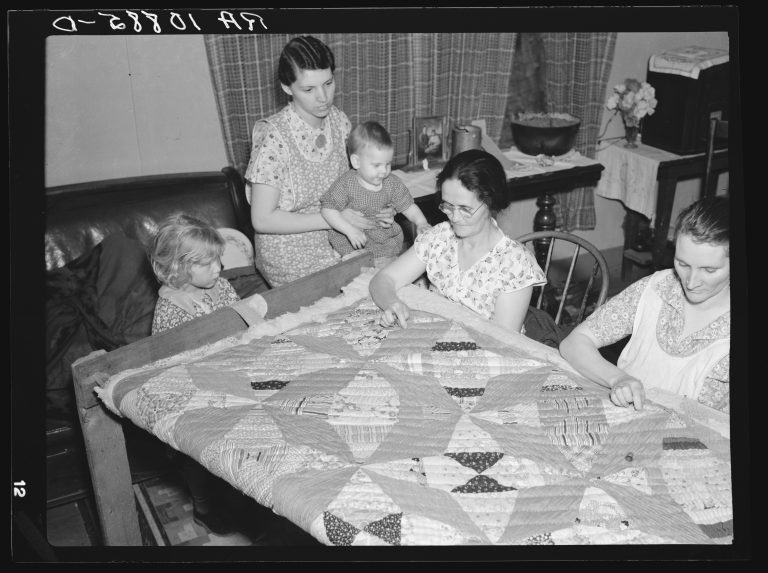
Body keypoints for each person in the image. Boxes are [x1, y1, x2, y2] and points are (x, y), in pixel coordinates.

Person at [244, 35, 393, 287]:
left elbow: (350, 186)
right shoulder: (274, 138)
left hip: (339, 240)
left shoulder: (339, 121)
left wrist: (375, 206)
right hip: (290, 259)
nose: (323, 97)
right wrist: (334, 218)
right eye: (309, 89)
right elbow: (262, 219)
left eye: (328, 83)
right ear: (287, 88)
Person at [559, 196, 730, 413]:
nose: (691, 282)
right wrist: (618, 379)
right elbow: (574, 343)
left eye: (709, 270)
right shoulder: (657, 288)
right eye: (683, 263)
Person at [369, 149, 546, 334]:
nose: (455, 217)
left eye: (465, 209)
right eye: (448, 206)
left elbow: (503, 340)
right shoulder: (440, 238)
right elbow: (383, 279)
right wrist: (393, 303)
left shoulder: (515, 264)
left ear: (491, 202)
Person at [150, 213, 240, 535]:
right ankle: (204, 508)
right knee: (197, 457)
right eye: (208, 263)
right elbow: (173, 365)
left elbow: (239, 319)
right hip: (193, 392)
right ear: (178, 267)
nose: (219, 268)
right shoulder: (171, 309)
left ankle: (236, 495)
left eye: (218, 259)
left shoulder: (221, 286)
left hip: (229, 376)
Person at [320, 121, 432, 264]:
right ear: (356, 162)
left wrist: (421, 222)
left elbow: (408, 205)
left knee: (388, 271)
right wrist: (349, 230)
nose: (384, 171)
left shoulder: (391, 182)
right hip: (352, 244)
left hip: (383, 244)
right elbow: (327, 209)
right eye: (377, 165)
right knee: (356, 273)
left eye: (388, 164)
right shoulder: (346, 183)